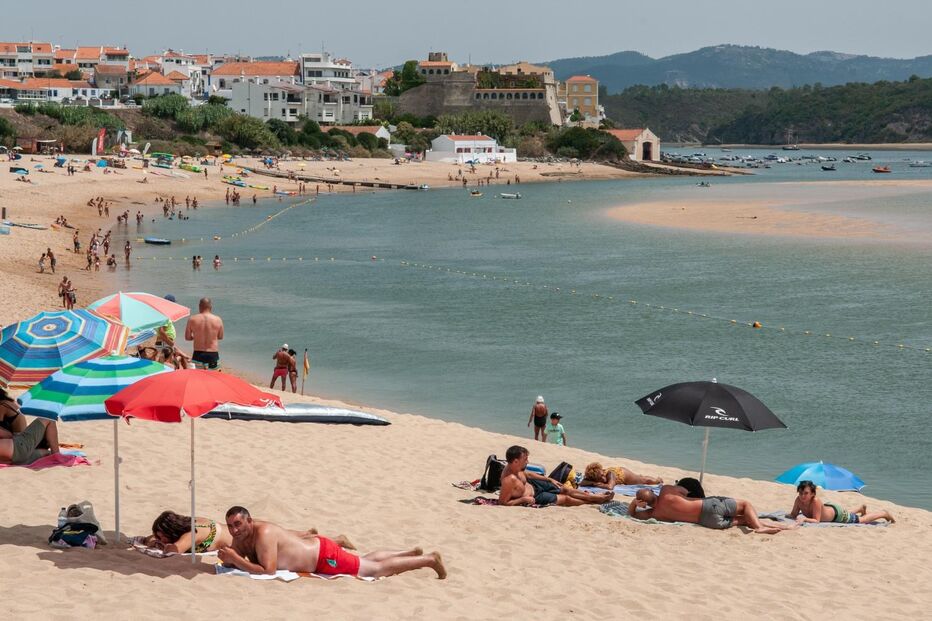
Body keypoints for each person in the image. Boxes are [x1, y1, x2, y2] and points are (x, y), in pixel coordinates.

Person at [219, 506, 446, 579]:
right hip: (318, 550)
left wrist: (236, 559)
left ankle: (428, 560)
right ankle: (408, 552)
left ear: (249, 520)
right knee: (363, 560)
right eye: (230, 526)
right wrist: (229, 560)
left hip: (323, 557)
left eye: (238, 524)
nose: (234, 530)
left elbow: (267, 571)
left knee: (372, 570)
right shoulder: (243, 535)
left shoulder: (264, 533)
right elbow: (235, 560)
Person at [144, 509, 355, 554]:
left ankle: (337, 540)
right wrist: (152, 537)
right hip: (245, 529)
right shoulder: (194, 522)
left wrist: (158, 544)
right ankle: (310, 533)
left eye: (161, 534)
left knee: (293, 543)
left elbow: (174, 551)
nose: (160, 538)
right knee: (290, 536)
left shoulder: (191, 534)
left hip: (245, 539)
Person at [628, 488, 795, 534]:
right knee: (745, 505)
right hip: (710, 506)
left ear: (644, 503)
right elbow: (686, 490)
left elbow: (632, 514)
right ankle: (760, 527)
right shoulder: (665, 491)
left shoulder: (654, 514)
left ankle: (772, 526)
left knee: (743, 520)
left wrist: (635, 503)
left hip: (708, 522)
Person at [498, 445, 613, 507]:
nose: (527, 461)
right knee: (566, 499)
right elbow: (502, 502)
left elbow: (527, 474)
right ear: (516, 461)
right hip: (535, 496)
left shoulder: (518, 468)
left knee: (564, 489)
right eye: (525, 459)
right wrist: (523, 499)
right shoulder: (509, 479)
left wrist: (549, 479)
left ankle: (596, 497)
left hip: (534, 484)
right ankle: (592, 502)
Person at [789, 480, 895, 524]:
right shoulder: (798, 500)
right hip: (828, 509)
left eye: (806, 493)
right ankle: (860, 508)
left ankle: (884, 513)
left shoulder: (815, 501)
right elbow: (793, 514)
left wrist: (804, 519)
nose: (803, 496)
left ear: (813, 494)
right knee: (849, 514)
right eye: (801, 493)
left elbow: (816, 521)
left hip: (837, 515)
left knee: (861, 520)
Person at [0, 389, 60, 466]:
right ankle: (57, 455)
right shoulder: (6, 404)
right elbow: (7, 435)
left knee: (45, 453)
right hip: (19, 448)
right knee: (49, 418)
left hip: (13, 459)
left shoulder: (3, 405)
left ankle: (49, 452)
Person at [184, 297, 224, 370]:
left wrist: (197, 336)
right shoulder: (218, 319)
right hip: (213, 354)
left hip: (198, 354)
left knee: (198, 378)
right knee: (213, 378)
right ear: (210, 307)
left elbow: (187, 337)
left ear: (199, 306)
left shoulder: (192, 319)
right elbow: (220, 336)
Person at [580, 462, 663, 488]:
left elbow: (610, 487)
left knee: (644, 480)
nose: (603, 478)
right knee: (641, 477)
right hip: (619, 471)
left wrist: (595, 484)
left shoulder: (609, 474)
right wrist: (593, 482)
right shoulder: (593, 476)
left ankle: (658, 480)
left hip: (623, 474)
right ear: (595, 478)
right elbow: (582, 482)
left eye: (602, 475)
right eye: (600, 477)